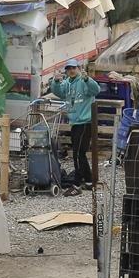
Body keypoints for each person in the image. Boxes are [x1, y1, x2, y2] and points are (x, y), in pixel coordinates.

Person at [49, 59, 100, 189]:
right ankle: (88, 180)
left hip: (85, 122)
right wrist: (55, 81)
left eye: (73, 68)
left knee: (78, 153)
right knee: (79, 153)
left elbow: (96, 90)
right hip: (75, 122)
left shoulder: (83, 81)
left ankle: (78, 181)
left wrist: (88, 79)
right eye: (68, 69)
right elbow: (59, 92)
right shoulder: (67, 83)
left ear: (78, 68)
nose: (71, 71)